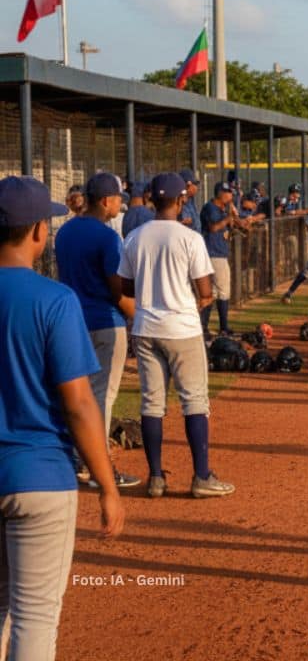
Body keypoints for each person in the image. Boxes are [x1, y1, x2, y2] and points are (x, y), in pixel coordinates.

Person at [1, 175, 126, 660]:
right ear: (38, 232)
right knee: (34, 615)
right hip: (40, 475)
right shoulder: (54, 299)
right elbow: (79, 403)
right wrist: (107, 485)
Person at [118, 172, 235, 498]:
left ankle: (156, 478)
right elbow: (205, 291)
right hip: (182, 328)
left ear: (151, 200)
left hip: (145, 328)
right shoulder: (189, 237)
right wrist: (195, 301)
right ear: (181, 200)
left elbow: (126, 287)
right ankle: (201, 477)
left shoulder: (135, 237)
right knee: (194, 401)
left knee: (152, 403)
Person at [53, 171, 142, 489]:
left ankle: (78, 461)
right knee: (102, 397)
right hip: (106, 323)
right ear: (105, 201)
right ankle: (98, 466)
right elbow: (118, 291)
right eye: (118, 199)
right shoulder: (107, 237)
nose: (120, 204)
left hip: (72, 324)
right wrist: (138, 318)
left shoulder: (65, 231)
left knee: (76, 396)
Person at [199, 181, 241, 337]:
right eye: (228, 192)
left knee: (215, 292)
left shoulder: (222, 209)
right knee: (222, 291)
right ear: (220, 193)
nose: (230, 195)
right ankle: (222, 327)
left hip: (218, 253)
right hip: (213, 253)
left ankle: (206, 327)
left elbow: (236, 227)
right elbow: (213, 227)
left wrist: (234, 217)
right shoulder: (210, 208)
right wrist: (229, 217)